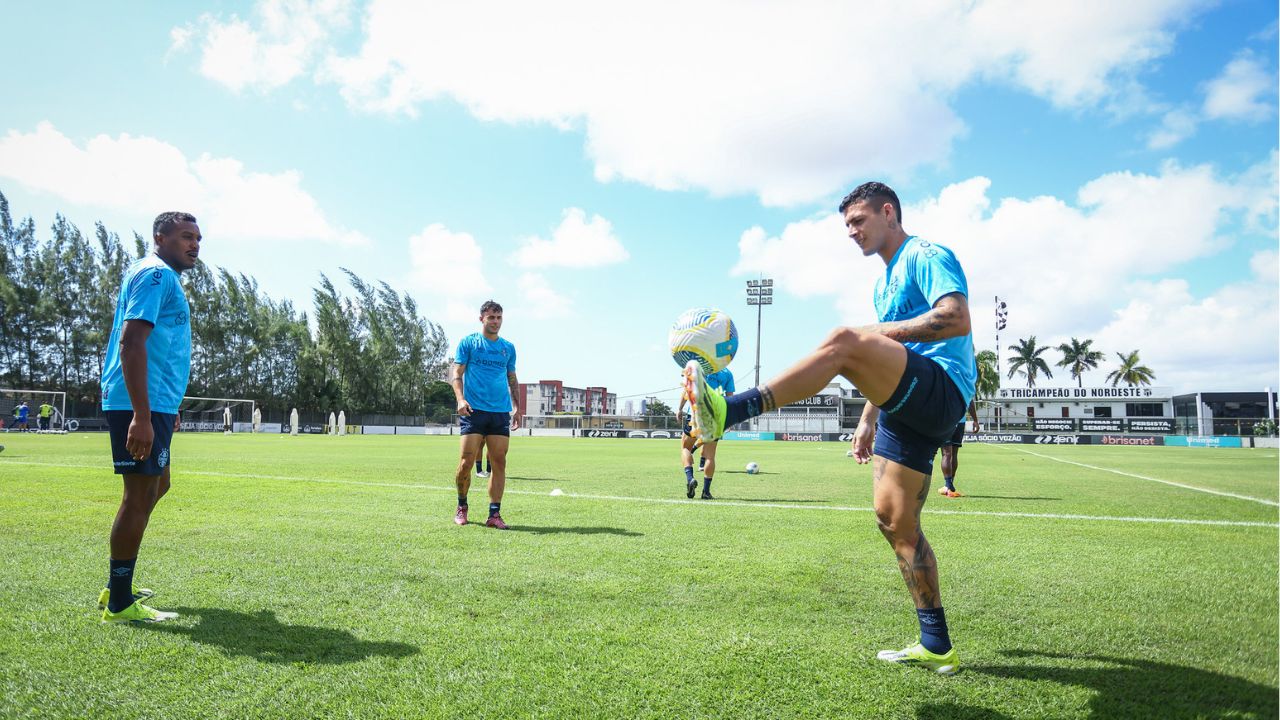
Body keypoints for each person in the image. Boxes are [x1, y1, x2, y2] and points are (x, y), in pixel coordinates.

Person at [682, 182, 975, 675]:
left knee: (843, 339)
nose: (852, 232)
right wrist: (867, 418)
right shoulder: (882, 284)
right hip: (904, 402)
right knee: (894, 522)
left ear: (888, 213)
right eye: (847, 225)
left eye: (858, 221)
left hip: (943, 388)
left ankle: (731, 410)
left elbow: (956, 317)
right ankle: (936, 643)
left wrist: (869, 334)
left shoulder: (925, 254)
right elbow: (884, 363)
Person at [97, 211, 200, 623]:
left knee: (159, 483)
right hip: (139, 403)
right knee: (137, 496)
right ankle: (120, 601)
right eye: (185, 237)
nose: (194, 245)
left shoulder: (160, 276)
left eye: (198, 239)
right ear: (160, 237)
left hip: (155, 403)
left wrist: (165, 409)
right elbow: (132, 342)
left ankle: (117, 585)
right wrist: (142, 414)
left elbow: (159, 346)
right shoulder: (156, 274)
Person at [452, 300, 521, 529]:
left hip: (500, 412)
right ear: (481, 318)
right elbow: (457, 373)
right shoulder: (469, 343)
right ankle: (462, 505)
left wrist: (517, 407)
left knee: (499, 462)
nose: (495, 322)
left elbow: (512, 377)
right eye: (491, 317)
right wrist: (460, 399)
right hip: (474, 411)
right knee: (466, 462)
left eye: (499, 317)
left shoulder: (508, 348)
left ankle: (494, 514)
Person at [677, 367, 734, 499]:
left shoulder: (696, 369)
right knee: (710, 456)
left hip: (696, 415)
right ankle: (706, 492)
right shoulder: (727, 373)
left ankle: (690, 478)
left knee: (686, 448)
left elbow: (686, 391)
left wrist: (679, 409)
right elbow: (730, 398)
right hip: (715, 417)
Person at [937, 400, 980, 498]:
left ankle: (947, 485)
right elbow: (970, 401)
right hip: (960, 421)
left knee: (946, 454)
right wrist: (975, 420)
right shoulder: (965, 384)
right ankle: (950, 485)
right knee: (953, 454)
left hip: (946, 419)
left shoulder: (943, 384)